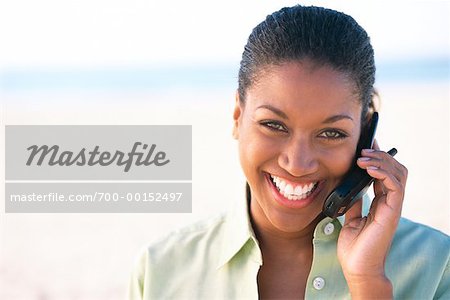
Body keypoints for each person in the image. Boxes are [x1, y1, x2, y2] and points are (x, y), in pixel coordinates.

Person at [128, 5, 449, 299]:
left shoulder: (438, 266)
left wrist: (368, 282)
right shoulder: (159, 270)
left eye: (331, 133)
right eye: (274, 125)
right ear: (238, 117)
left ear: (365, 135)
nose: (297, 163)